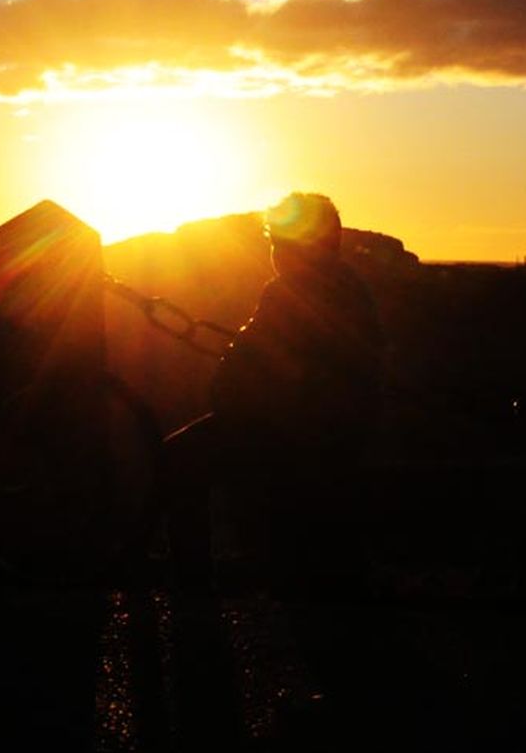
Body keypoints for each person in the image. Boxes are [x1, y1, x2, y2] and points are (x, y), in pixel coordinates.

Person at [161, 192, 383, 591]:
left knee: (177, 459)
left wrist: (229, 391)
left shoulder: (287, 293)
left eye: (278, 244)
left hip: (287, 432)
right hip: (338, 431)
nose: (275, 255)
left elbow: (237, 376)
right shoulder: (354, 289)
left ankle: (192, 580)